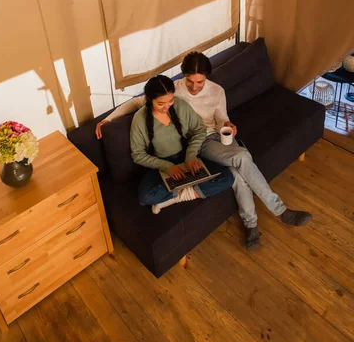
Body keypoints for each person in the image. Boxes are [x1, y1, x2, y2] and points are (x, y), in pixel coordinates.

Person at [96, 52, 312, 250]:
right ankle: (273, 214)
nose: (194, 86)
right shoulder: (174, 90)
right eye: (190, 80)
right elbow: (137, 103)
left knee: (238, 170)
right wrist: (107, 119)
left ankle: (255, 224)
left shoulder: (217, 91)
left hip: (216, 138)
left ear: (207, 77)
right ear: (183, 74)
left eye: (199, 81)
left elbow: (220, 119)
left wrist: (227, 125)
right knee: (242, 159)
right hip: (198, 144)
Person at [130, 75, 234, 213]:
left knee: (227, 177)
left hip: (187, 156)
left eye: (170, 101)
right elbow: (138, 155)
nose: (166, 107)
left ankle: (177, 197)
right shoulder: (139, 119)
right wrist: (167, 167)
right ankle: (189, 188)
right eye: (161, 103)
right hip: (161, 165)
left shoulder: (180, 106)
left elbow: (199, 130)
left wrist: (191, 156)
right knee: (145, 197)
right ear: (149, 100)